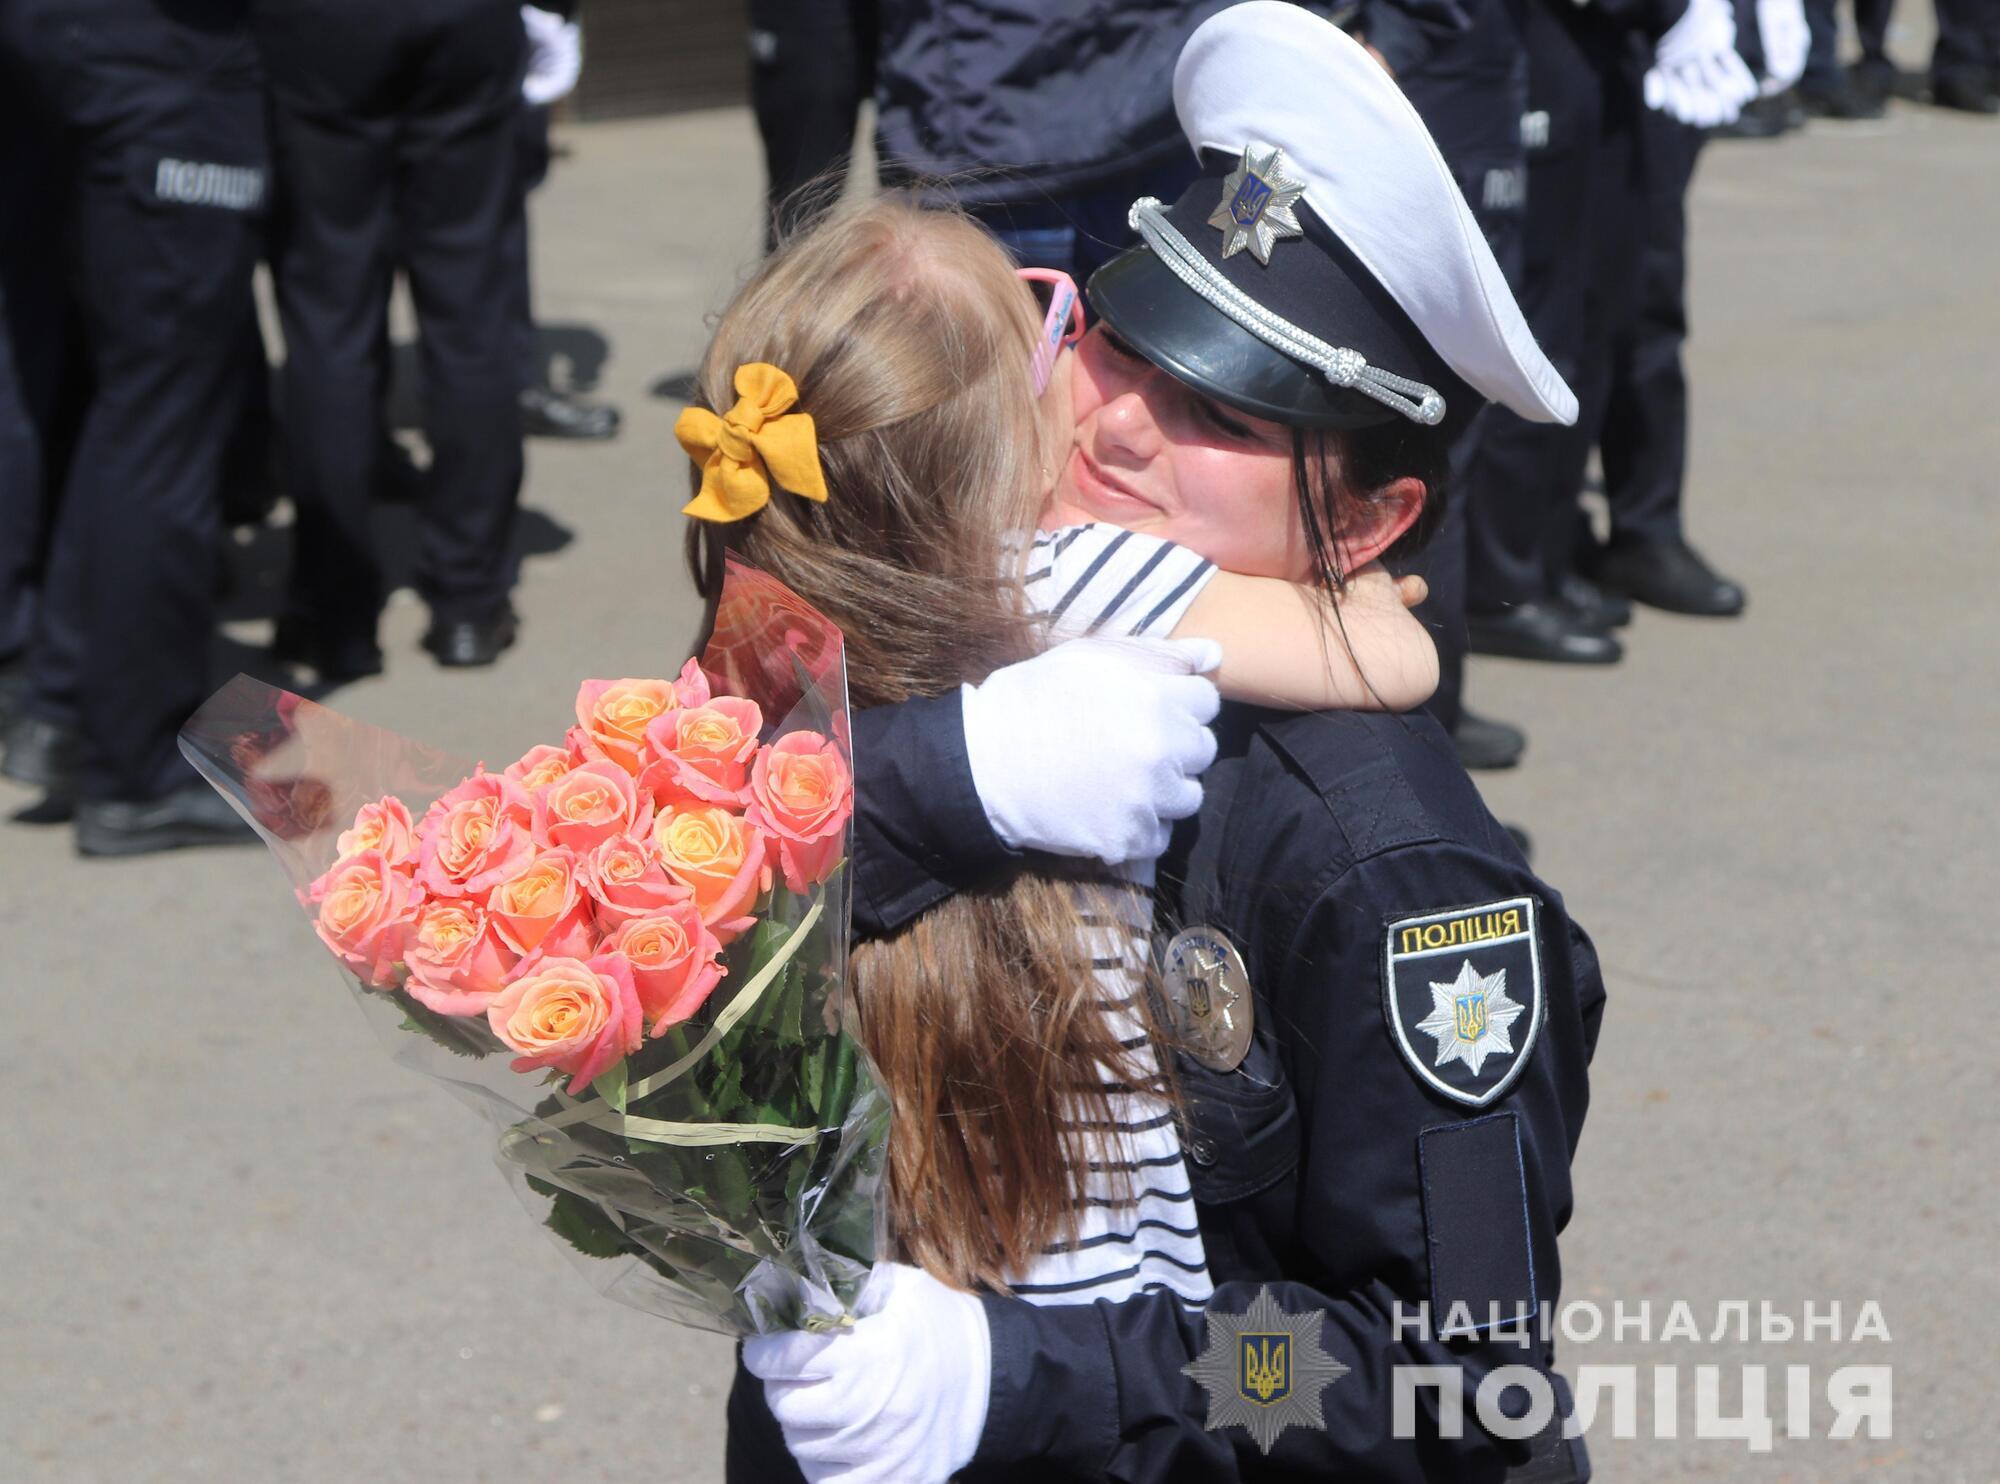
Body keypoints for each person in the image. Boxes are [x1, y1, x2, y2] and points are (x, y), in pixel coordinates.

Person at [740, 7, 1605, 1479]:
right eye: (1122, 342)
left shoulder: (1392, 871)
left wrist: (1025, 1383)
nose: (1117, 425)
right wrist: (941, 781)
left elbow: (1445, 1385)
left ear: (1370, 521)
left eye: (1219, 415)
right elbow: (696, 857)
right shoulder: (990, 611)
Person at [0, 0, 264, 854]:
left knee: (92, 392)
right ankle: (136, 768)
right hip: (153, 49)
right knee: (163, 417)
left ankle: (63, 705)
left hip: (53, 41)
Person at [254, 0, 528, 676]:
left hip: (324, 31)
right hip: (461, 24)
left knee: (328, 325)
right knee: (469, 316)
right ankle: (467, 601)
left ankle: (332, 610)